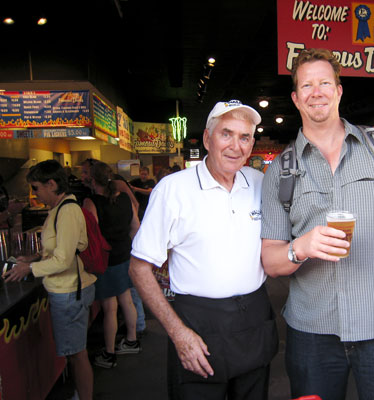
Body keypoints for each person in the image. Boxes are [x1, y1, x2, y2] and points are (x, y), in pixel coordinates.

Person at [260, 48, 374, 400]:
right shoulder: (279, 171)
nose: (317, 92)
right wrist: (302, 247)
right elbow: (271, 260)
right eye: (307, 85)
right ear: (296, 98)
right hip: (312, 334)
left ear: (339, 91)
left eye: (325, 83)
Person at [130, 100, 279, 400]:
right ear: (208, 138)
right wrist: (177, 331)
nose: (235, 146)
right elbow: (139, 267)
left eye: (245, 137)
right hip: (198, 325)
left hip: (254, 319)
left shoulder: (262, 183)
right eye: (226, 134)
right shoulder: (173, 190)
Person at [3, 160, 96, 400]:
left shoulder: (67, 211)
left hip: (69, 293)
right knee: (76, 352)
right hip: (69, 290)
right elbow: (62, 249)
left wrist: (29, 268)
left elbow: (63, 260)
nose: (35, 194)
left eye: (36, 187)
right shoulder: (59, 209)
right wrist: (34, 256)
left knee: (77, 353)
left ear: (51, 184)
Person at [83, 161, 141, 369]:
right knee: (126, 299)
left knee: (109, 307)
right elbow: (136, 227)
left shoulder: (91, 202)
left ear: (91, 179)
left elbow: (91, 234)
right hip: (125, 255)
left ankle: (109, 353)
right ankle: (132, 341)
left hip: (106, 259)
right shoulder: (125, 199)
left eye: (84, 173)